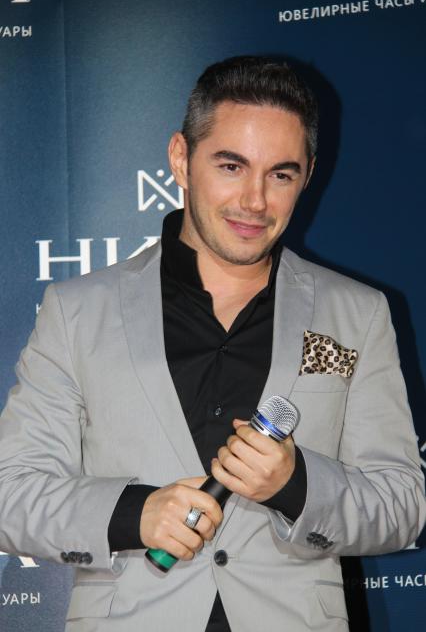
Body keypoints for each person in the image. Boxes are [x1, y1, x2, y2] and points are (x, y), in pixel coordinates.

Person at [0, 56, 424, 632]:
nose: (255, 201)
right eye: (231, 166)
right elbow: (13, 495)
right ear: (181, 158)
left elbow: (402, 505)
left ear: (308, 176)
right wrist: (134, 513)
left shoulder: (358, 313)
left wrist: (295, 486)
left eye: (281, 175)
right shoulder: (77, 311)